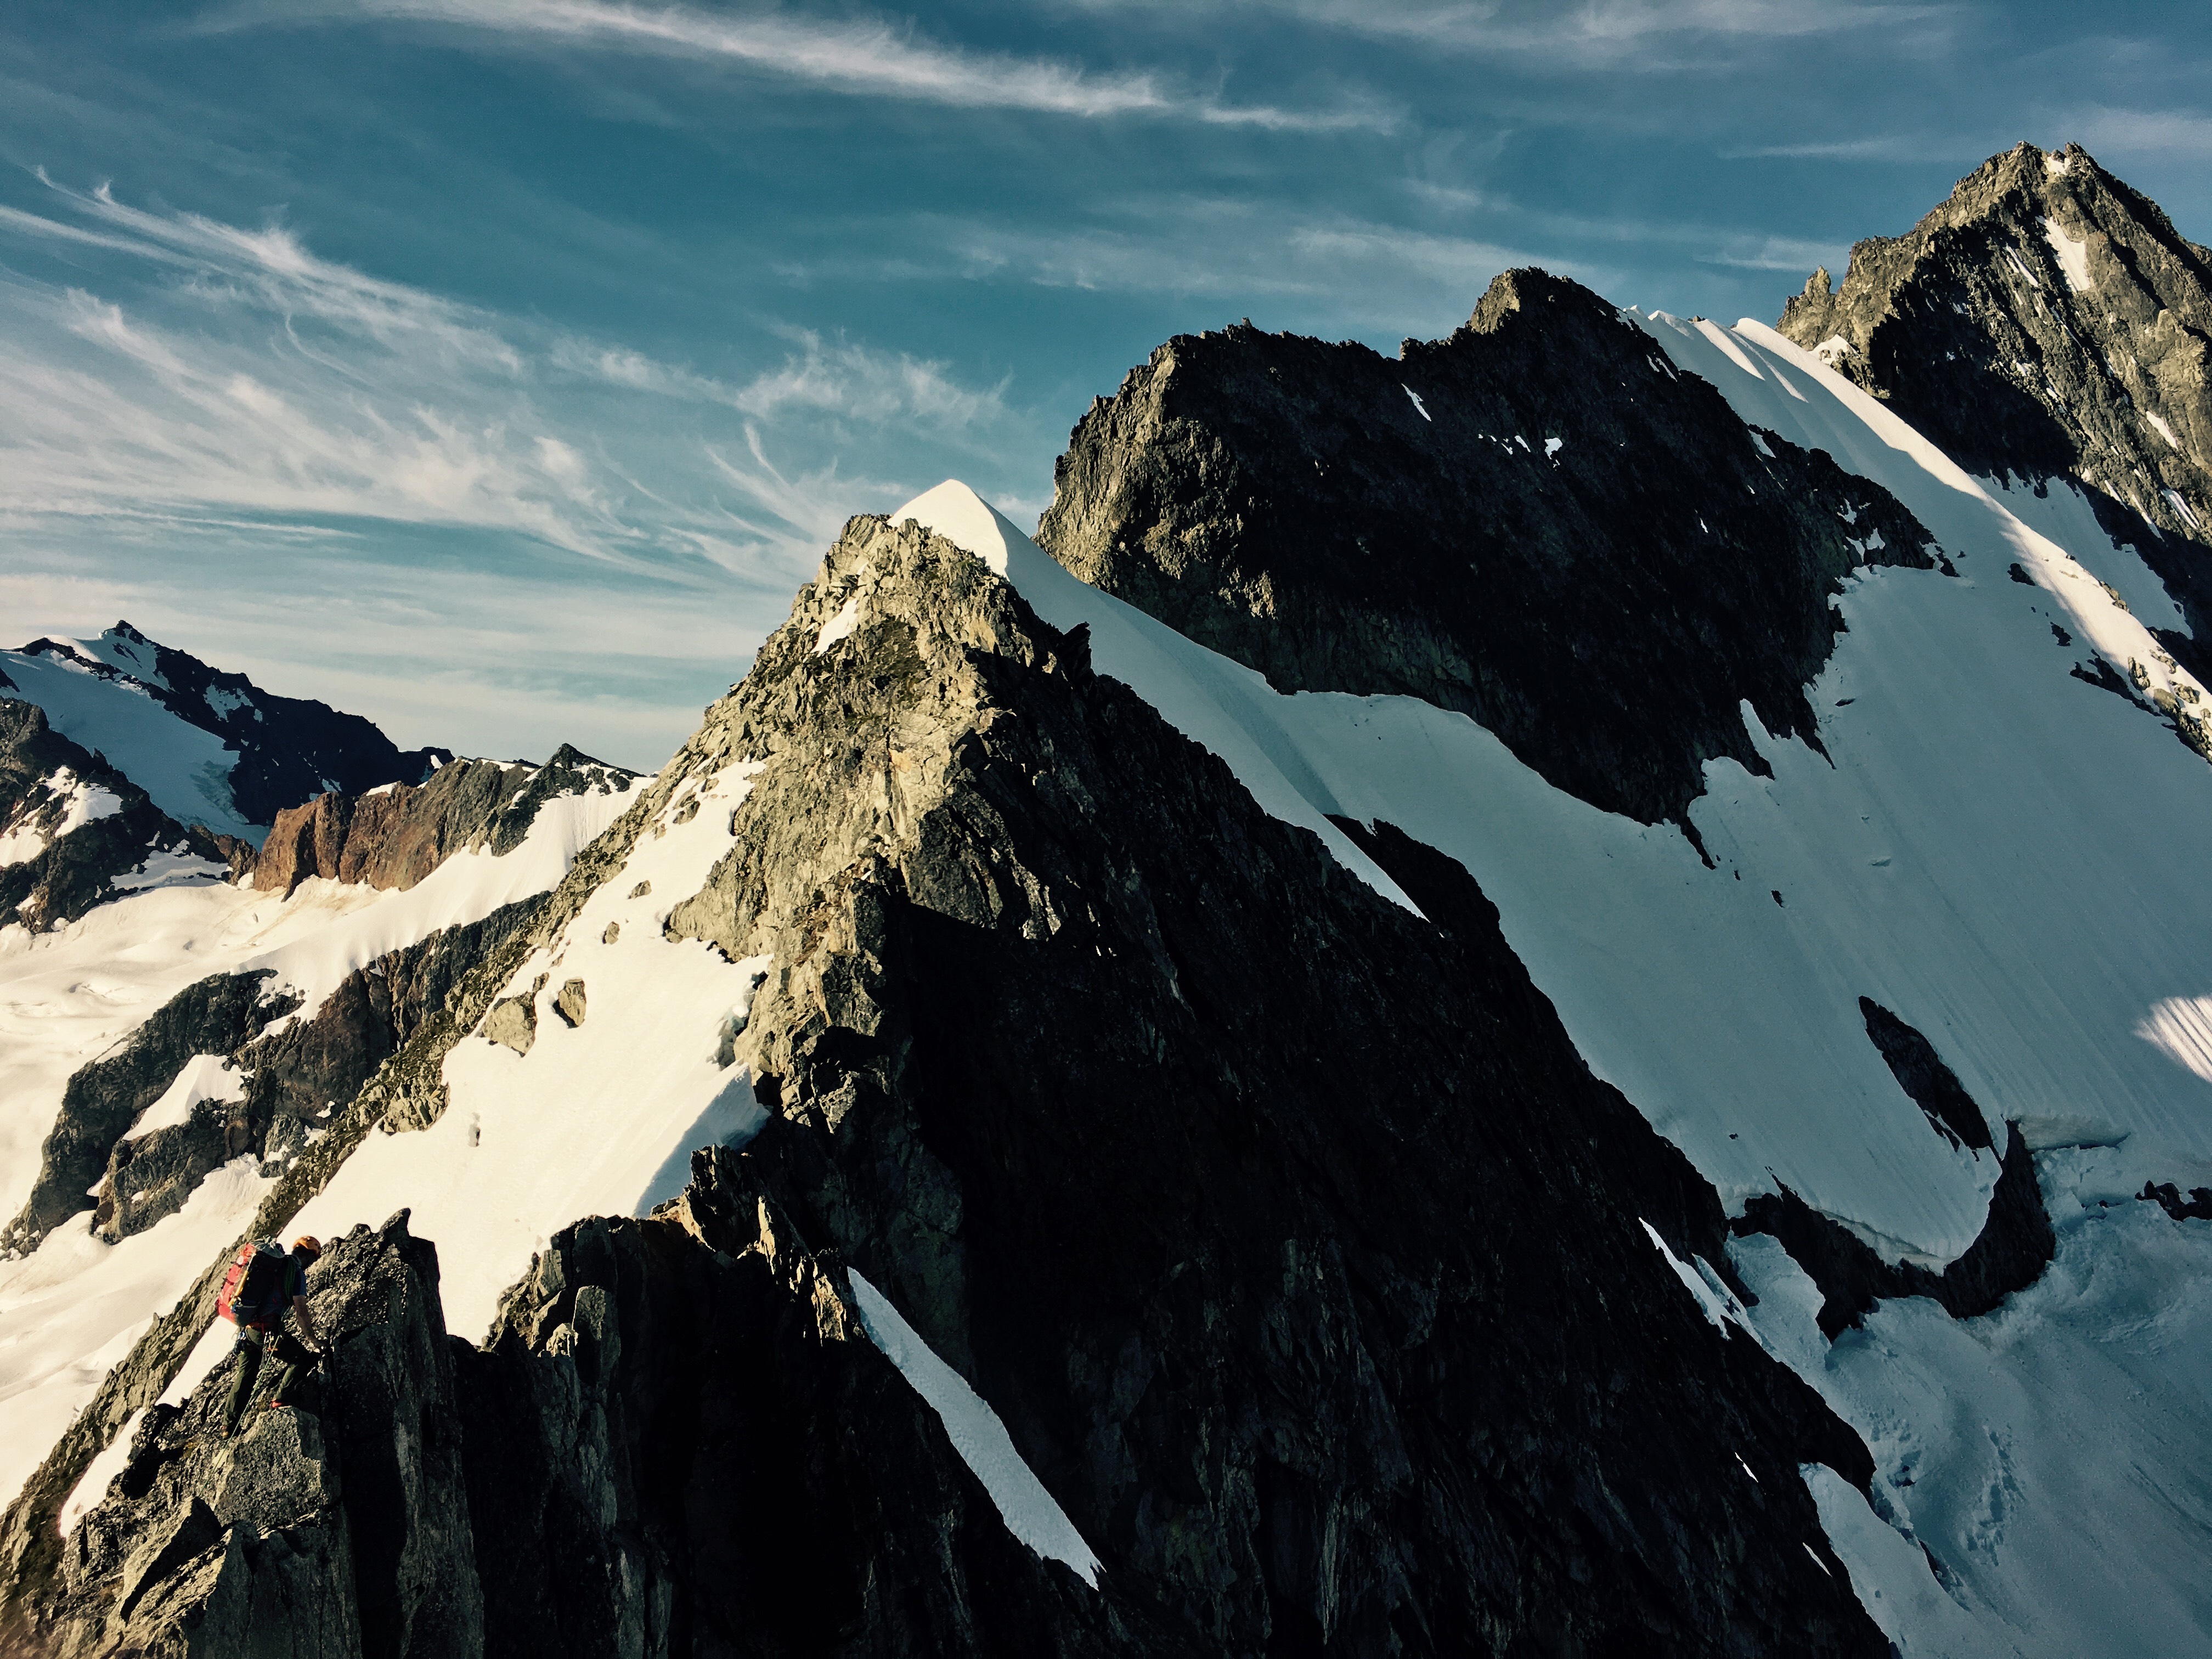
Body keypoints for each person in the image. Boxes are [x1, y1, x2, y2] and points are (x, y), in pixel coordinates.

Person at [221, 1235, 326, 1436]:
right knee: (301, 1360)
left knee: (246, 1375)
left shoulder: (275, 1265)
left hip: (248, 1331)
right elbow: (301, 1311)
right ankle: (281, 1400)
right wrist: (313, 1340)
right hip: (266, 1331)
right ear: (311, 1257)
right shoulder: (295, 1271)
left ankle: (229, 1425)